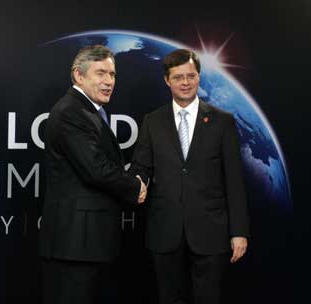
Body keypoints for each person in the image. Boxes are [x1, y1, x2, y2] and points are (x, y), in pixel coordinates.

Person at [130, 49, 250, 304]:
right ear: (167, 80)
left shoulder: (222, 122)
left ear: (198, 77)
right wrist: (137, 182)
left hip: (211, 232)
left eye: (191, 76)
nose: (185, 82)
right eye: (178, 77)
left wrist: (239, 231)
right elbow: (141, 166)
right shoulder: (153, 121)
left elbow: (234, 180)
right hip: (164, 230)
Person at [39, 45, 147, 304]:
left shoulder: (88, 111)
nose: (109, 81)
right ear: (78, 75)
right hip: (75, 244)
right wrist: (135, 187)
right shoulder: (71, 112)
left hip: (87, 244)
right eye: (101, 73)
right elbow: (95, 169)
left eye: (112, 74)